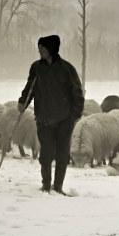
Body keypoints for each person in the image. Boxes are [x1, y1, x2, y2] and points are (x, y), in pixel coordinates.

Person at [17, 35, 84, 195]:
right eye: (39, 48)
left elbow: (77, 94)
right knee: (46, 154)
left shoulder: (67, 69)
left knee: (62, 154)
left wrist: (73, 116)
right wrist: (23, 102)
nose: (39, 51)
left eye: (43, 48)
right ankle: (46, 185)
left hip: (63, 120)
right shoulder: (37, 68)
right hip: (43, 119)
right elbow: (29, 88)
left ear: (51, 49)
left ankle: (58, 186)